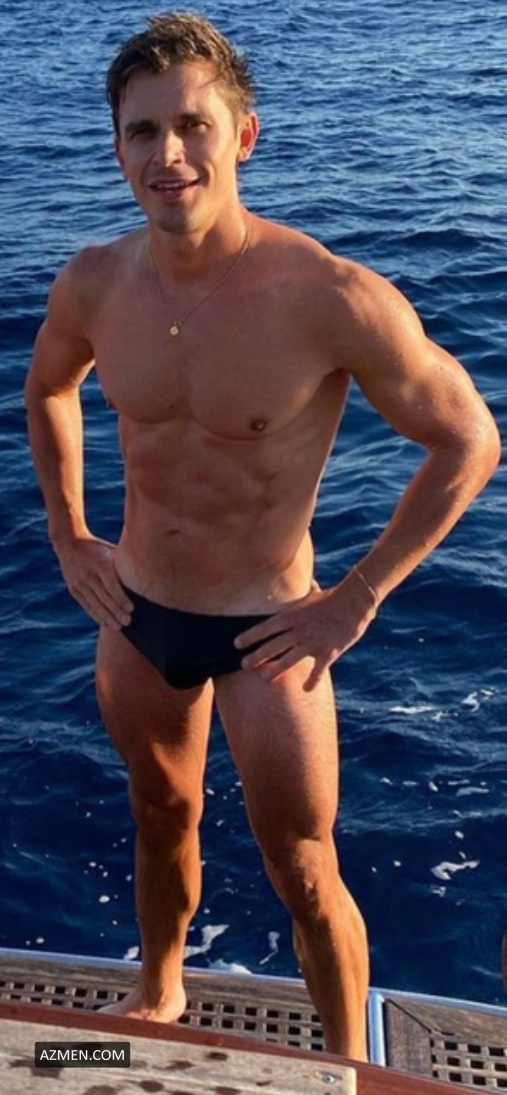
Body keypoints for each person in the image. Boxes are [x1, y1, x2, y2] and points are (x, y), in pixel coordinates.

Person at [24, 11, 500, 1062]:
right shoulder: (95, 281)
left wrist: (357, 595)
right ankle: (159, 992)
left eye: (192, 125)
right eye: (143, 131)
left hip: (268, 631)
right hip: (135, 609)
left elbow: (469, 441)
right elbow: (48, 386)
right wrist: (67, 532)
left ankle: (345, 1063)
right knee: (159, 813)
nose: (168, 154)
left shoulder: (328, 296)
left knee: (303, 863)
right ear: (117, 147)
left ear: (243, 135)